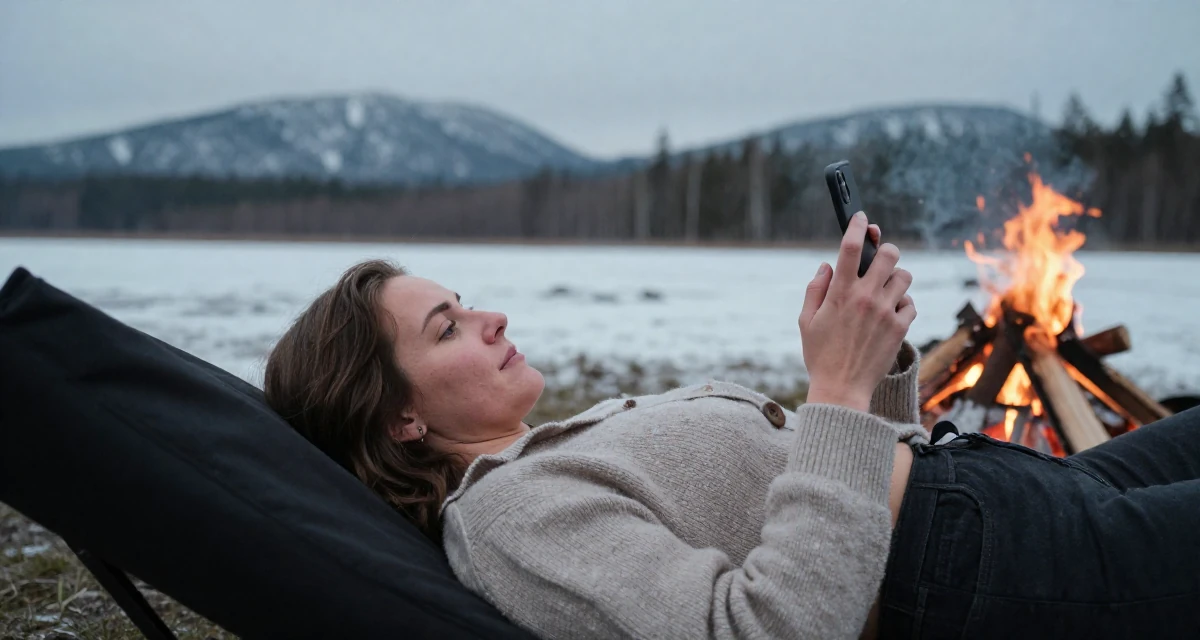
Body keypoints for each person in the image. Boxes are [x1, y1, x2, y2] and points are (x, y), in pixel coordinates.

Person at [263, 212, 1200, 639]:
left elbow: (837, 492)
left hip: (1011, 497)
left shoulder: (544, 456)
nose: (491, 318)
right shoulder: (511, 522)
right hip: (990, 572)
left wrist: (871, 374)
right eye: (448, 329)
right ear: (401, 421)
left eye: (464, 302)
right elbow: (769, 628)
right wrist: (832, 390)